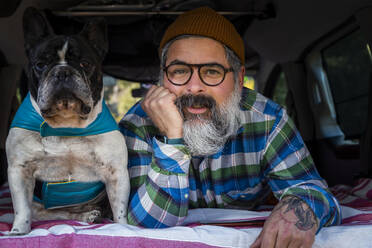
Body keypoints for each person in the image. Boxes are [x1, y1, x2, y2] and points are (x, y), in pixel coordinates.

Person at [119, 6, 341, 248]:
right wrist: (172, 141)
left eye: (212, 72)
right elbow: (143, 229)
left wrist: (301, 207)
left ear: (238, 78)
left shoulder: (267, 120)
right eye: (180, 71)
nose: (194, 87)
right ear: (163, 78)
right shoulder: (138, 124)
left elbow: (311, 190)